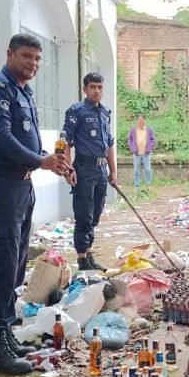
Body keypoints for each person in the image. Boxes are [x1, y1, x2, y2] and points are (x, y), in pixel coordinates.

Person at [0, 33, 71, 375]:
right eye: (26, 56)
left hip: (20, 187)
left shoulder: (22, 92)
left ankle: (6, 332)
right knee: (3, 264)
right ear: (9, 53)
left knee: (15, 264)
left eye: (37, 58)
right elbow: (1, 139)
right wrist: (41, 160)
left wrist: (49, 163)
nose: (33, 63)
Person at [63, 73, 119, 272]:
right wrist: (67, 169)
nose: (97, 91)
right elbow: (65, 142)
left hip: (101, 169)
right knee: (84, 215)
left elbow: (110, 144)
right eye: (93, 87)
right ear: (85, 89)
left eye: (100, 87)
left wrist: (113, 171)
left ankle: (89, 253)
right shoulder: (76, 111)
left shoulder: (104, 113)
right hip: (84, 169)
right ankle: (81, 259)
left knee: (95, 214)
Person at [127, 115, 155, 188]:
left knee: (148, 169)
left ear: (144, 120)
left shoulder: (149, 130)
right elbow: (129, 139)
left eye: (142, 119)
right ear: (137, 120)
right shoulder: (133, 130)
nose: (140, 121)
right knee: (136, 170)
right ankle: (137, 185)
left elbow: (152, 139)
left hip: (146, 153)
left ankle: (148, 185)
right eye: (139, 119)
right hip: (136, 153)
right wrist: (131, 146)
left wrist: (150, 147)